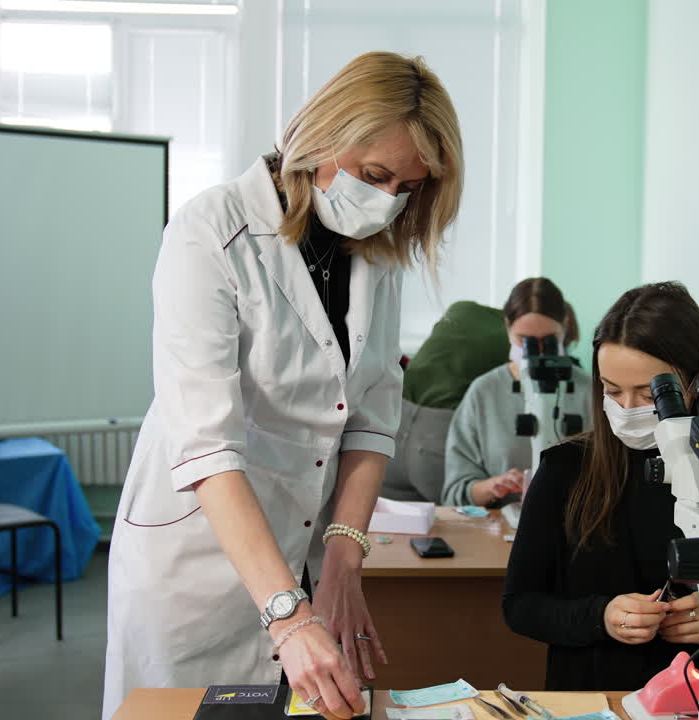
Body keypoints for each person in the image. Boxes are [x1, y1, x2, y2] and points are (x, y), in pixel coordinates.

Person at [102, 52, 462, 720]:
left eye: (407, 187)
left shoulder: (378, 257)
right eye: (375, 174)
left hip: (304, 549)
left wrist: (345, 552)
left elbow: (373, 415)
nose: (387, 201)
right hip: (197, 561)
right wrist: (287, 616)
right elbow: (207, 446)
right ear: (318, 135)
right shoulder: (209, 231)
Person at [502, 281, 699, 691]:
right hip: (597, 694)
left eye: (648, 393)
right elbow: (520, 606)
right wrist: (601, 616)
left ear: (696, 384)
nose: (627, 408)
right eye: (612, 390)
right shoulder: (564, 470)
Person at [441, 278, 592, 507]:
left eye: (548, 340)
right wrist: (495, 486)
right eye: (526, 341)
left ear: (565, 325)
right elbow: (454, 493)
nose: (538, 351)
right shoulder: (483, 392)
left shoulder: (590, 391)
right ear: (507, 328)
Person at [381, 301, 510, 503]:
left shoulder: (462, 308)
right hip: (439, 441)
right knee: (467, 527)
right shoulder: (516, 340)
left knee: (391, 528)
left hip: (391, 430)